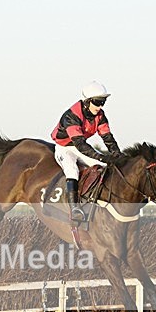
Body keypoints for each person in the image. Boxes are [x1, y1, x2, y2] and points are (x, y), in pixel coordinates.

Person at [51, 81, 124, 223]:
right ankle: (75, 209)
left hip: (80, 146)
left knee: (104, 168)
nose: (100, 106)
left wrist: (118, 155)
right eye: (97, 102)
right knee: (72, 170)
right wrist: (101, 157)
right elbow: (80, 144)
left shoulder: (100, 115)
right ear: (87, 102)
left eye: (103, 102)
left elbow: (107, 138)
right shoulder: (71, 116)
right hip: (65, 148)